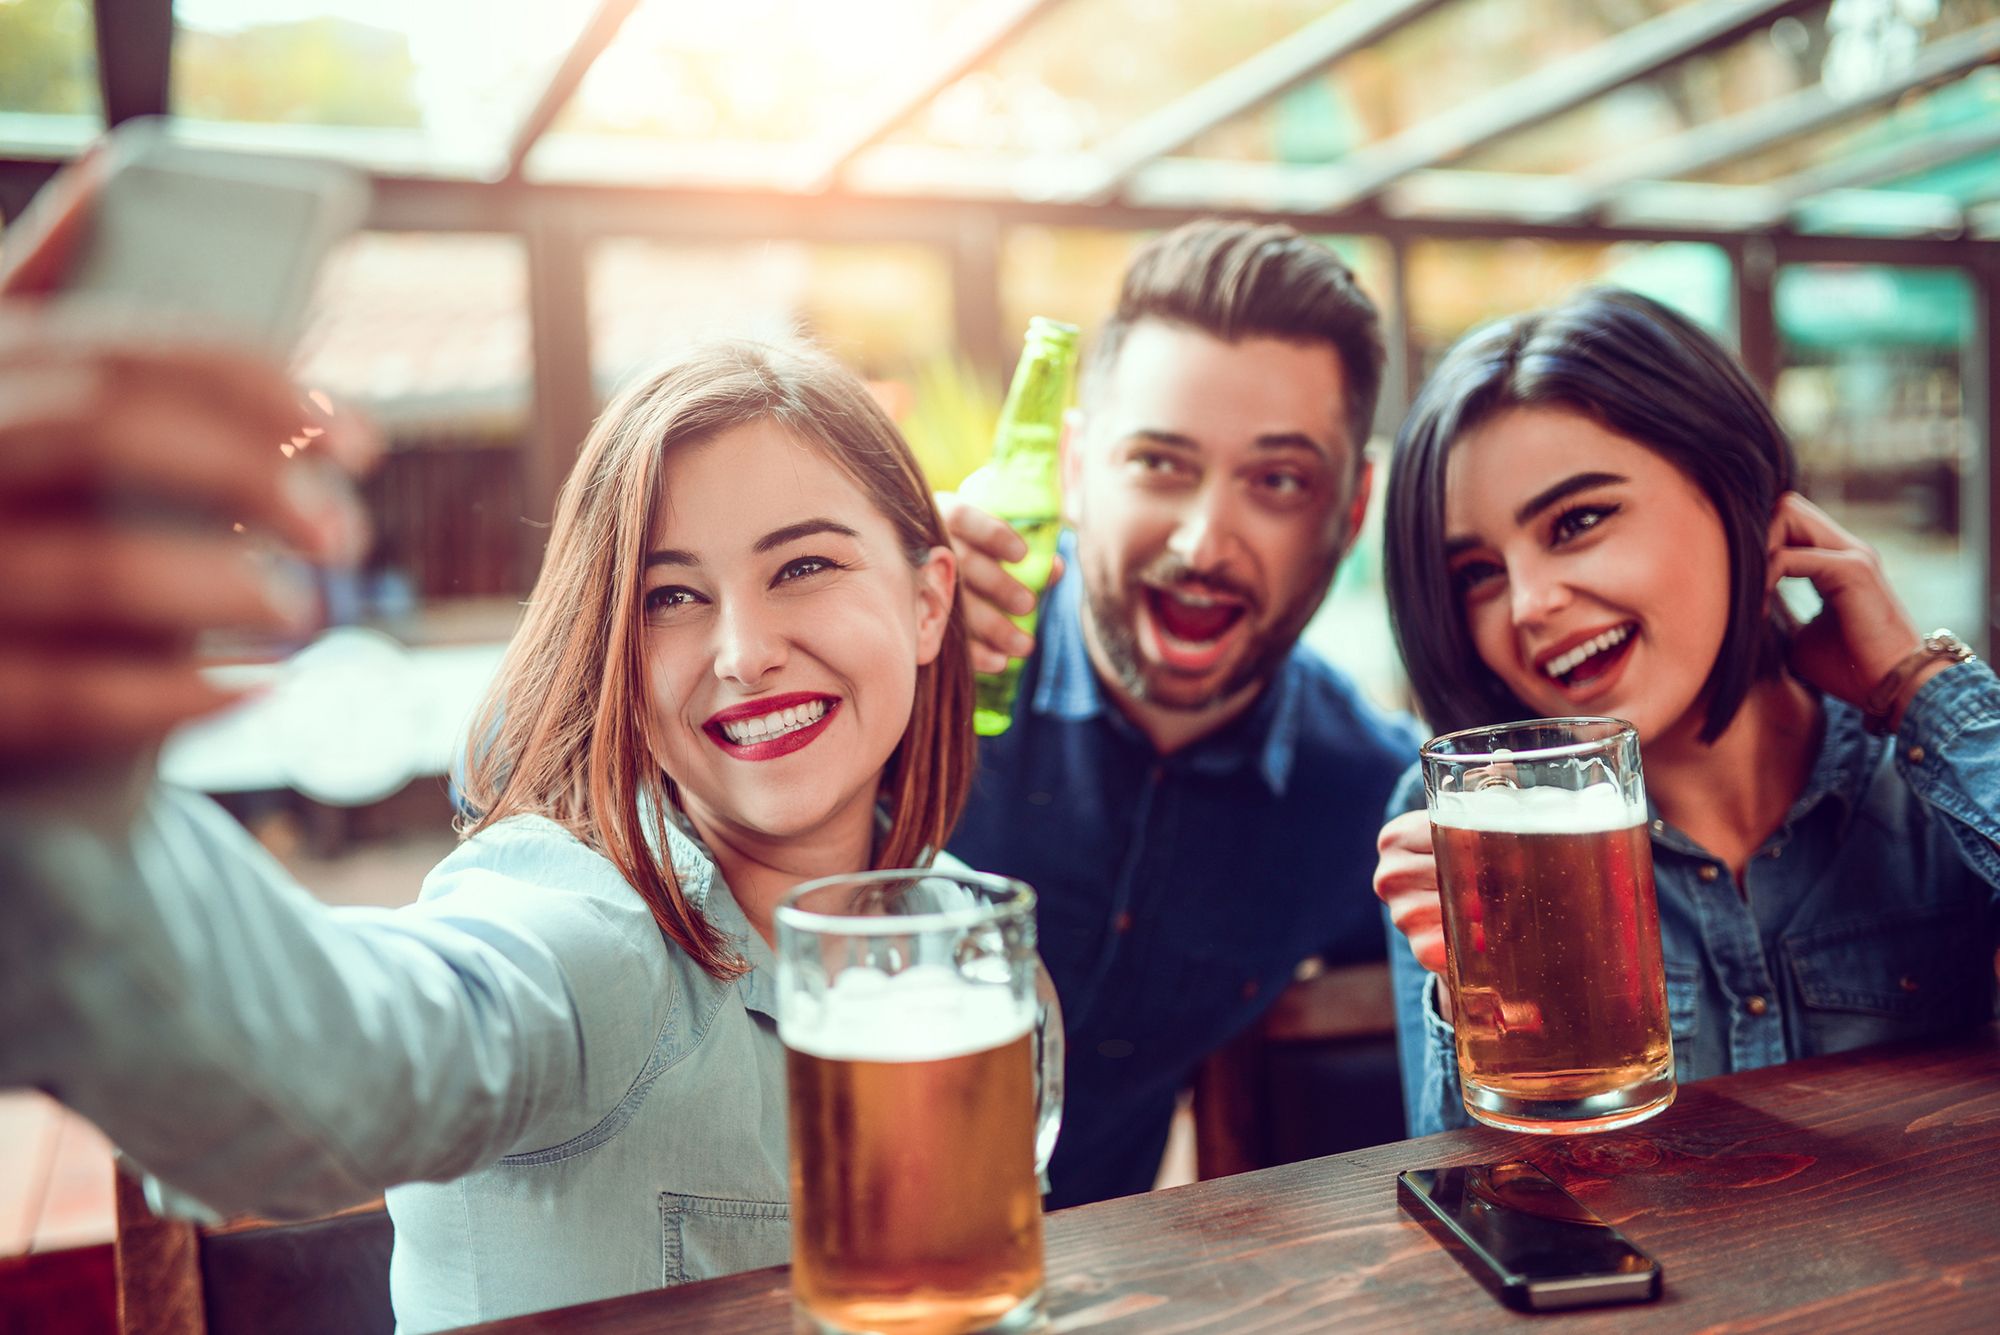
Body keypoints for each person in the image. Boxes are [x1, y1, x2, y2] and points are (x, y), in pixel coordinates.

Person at [0, 308, 976, 1325]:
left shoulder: (976, 948)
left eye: (804, 567)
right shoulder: (587, 935)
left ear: (927, 601)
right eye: (667, 598)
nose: (742, 651)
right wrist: (52, 796)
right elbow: (343, 1070)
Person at [1371, 287, 2000, 1137]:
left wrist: (1915, 685)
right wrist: (1473, 993)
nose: (1526, 603)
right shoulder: (1466, 827)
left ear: (1740, 492)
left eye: (1578, 520)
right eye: (1476, 574)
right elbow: (1490, 1208)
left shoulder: (1927, 778)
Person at [943, 219, 1417, 1206]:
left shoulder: (1372, 795)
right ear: (1073, 467)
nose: (1204, 541)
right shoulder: (917, 673)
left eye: (1278, 481)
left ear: (1350, 508)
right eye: (1159, 463)